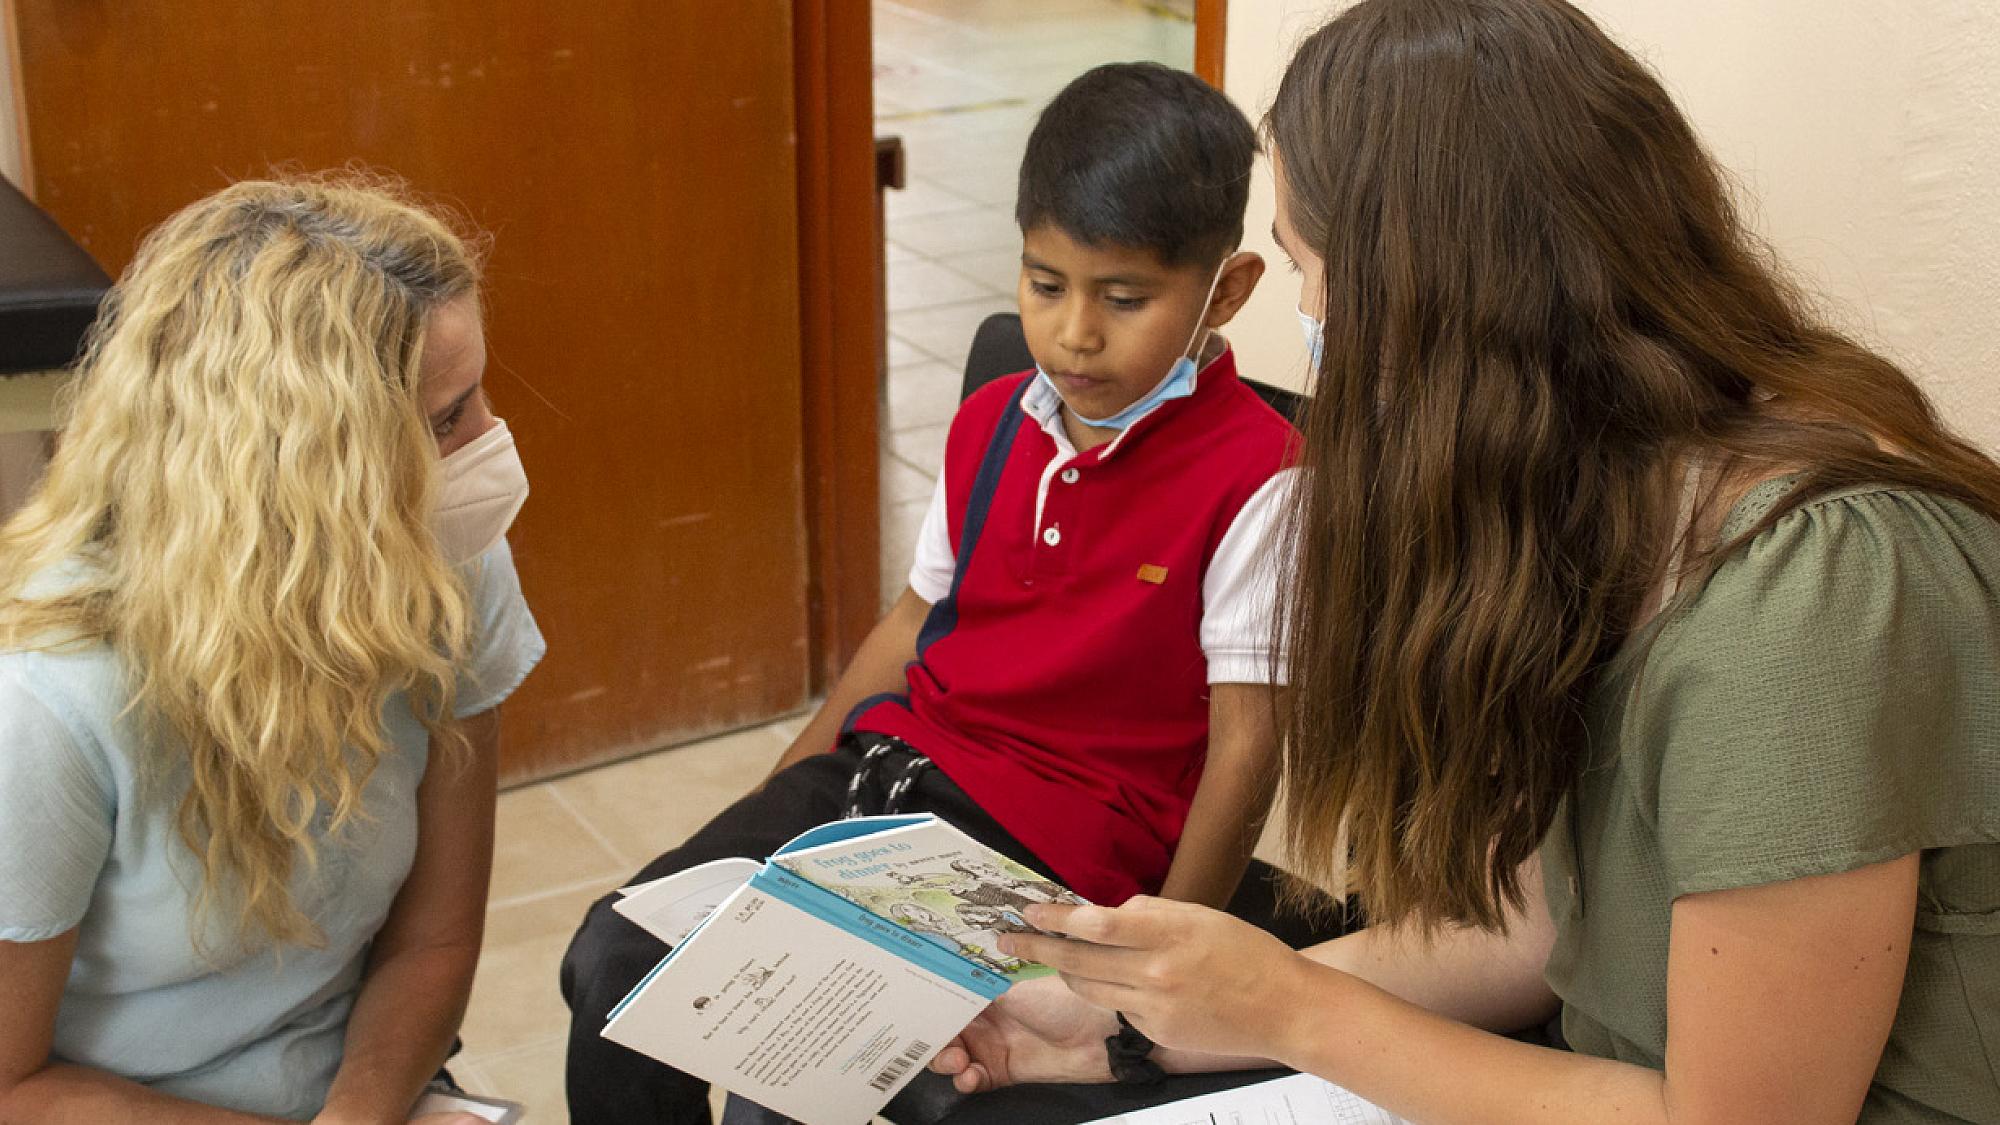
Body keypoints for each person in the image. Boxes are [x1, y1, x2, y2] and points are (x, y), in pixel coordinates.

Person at [928, 2, 2000, 1123]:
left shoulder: (1809, 599)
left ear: (1430, 284)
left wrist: (1287, 1005)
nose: (1309, 314)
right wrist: (1120, 1028)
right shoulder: (1596, 495)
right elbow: (1538, 928)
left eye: (1310, 266)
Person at [560, 61, 1326, 1124]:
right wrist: (786, 786)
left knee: (781, 1065)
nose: (1073, 335)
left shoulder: (1260, 477)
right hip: (883, 783)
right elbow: (914, 622)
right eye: (1045, 284)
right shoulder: (993, 422)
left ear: (1225, 290)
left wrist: (1150, 973)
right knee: (615, 958)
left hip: (1046, 854)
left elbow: (1247, 747)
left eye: (1123, 298)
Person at [0, 178, 546, 1123]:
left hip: (354, 1087)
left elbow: (433, 941)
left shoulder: (446, 565)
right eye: (449, 418)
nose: (491, 441)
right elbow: (11, 1085)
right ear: (311, 476)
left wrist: (358, 1114)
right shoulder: (47, 703)